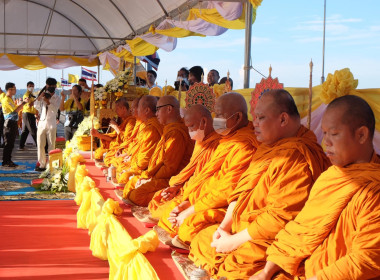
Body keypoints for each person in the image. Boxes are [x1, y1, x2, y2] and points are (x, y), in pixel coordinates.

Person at [189, 89, 331, 280]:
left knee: (241, 262)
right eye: (255, 116)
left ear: (282, 120)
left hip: (270, 236)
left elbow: (280, 218)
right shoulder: (267, 146)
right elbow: (242, 190)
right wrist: (225, 227)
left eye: (261, 117)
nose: (254, 122)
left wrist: (234, 241)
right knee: (201, 237)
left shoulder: (297, 156)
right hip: (245, 225)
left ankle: (223, 267)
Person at [251, 95, 380, 280]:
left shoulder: (374, 190)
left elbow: (367, 259)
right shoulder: (330, 176)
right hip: (308, 267)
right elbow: (301, 228)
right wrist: (267, 271)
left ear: (361, 135)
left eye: (334, 134)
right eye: (325, 133)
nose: (326, 142)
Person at [157, 92, 260, 247]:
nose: (215, 119)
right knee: (167, 212)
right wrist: (188, 203)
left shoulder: (245, 145)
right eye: (215, 113)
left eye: (219, 115)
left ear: (237, 117)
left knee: (189, 228)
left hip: (227, 205)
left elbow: (227, 190)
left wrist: (191, 210)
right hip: (206, 198)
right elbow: (209, 178)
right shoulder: (227, 140)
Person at [119, 95, 194, 207]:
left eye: (158, 109)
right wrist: (147, 176)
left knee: (136, 195)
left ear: (169, 109)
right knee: (131, 184)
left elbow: (169, 168)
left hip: (171, 179)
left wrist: (149, 179)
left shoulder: (176, 133)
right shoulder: (169, 129)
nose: (156, 113)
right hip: (157, 174)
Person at [148, 104, 221, 220]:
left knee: (169, 214)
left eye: (192, 126)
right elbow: (192, 170)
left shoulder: (221, 144)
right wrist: (178, 186)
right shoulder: (200, 141)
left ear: (204, 121)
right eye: (188, 127)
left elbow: (215, 182)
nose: (190, 133)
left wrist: (187, 200)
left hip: (202, 194)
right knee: (157, 200)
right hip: (189, 187)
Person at [114, 95, 163, 185]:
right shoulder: (147, 124)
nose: (133, 110)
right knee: (117, 164)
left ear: (147, 110)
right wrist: (129, 156)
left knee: (124, 177)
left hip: (150, 169)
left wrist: (131, 167)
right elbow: (138, 145)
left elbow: (145, 160)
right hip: (137, 159)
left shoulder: (151, 128)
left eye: (137, 107)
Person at [34, 78, 61, 172]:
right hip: (41, 123)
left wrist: (48, 101)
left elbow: (55, 110)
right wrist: (40, 98)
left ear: (55, 87)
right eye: (49, 86)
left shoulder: (57, 98)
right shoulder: (43, 95)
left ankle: (50, 165)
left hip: (52, 124)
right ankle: (42, 164)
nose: (51, 88)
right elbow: (36, 106)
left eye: (53, 87)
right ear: (46, 86)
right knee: (40, 145)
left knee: (51, 145)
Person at [1, 83, 26, 167]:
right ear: (9, 90)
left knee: (10, 143)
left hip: (12, 123)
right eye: (14, 88)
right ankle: (6, 161)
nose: (15, 90)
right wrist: (23, 103)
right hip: (9, 124)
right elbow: (15, 110)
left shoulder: (7, 97)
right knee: (8, 143)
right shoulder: (6, 99)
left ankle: (7, 160)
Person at [19, 81, 38, 149]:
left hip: (29, 113)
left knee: (25, 131)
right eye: (30, 86)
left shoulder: (31, 94)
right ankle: (39, 145)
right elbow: (29, 104)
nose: (31, 87)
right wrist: (35, 100)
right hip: (28, 113)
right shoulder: (26, 95)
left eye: (32, 86)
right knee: (33, 130)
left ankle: (21, 145)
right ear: (27, 87)